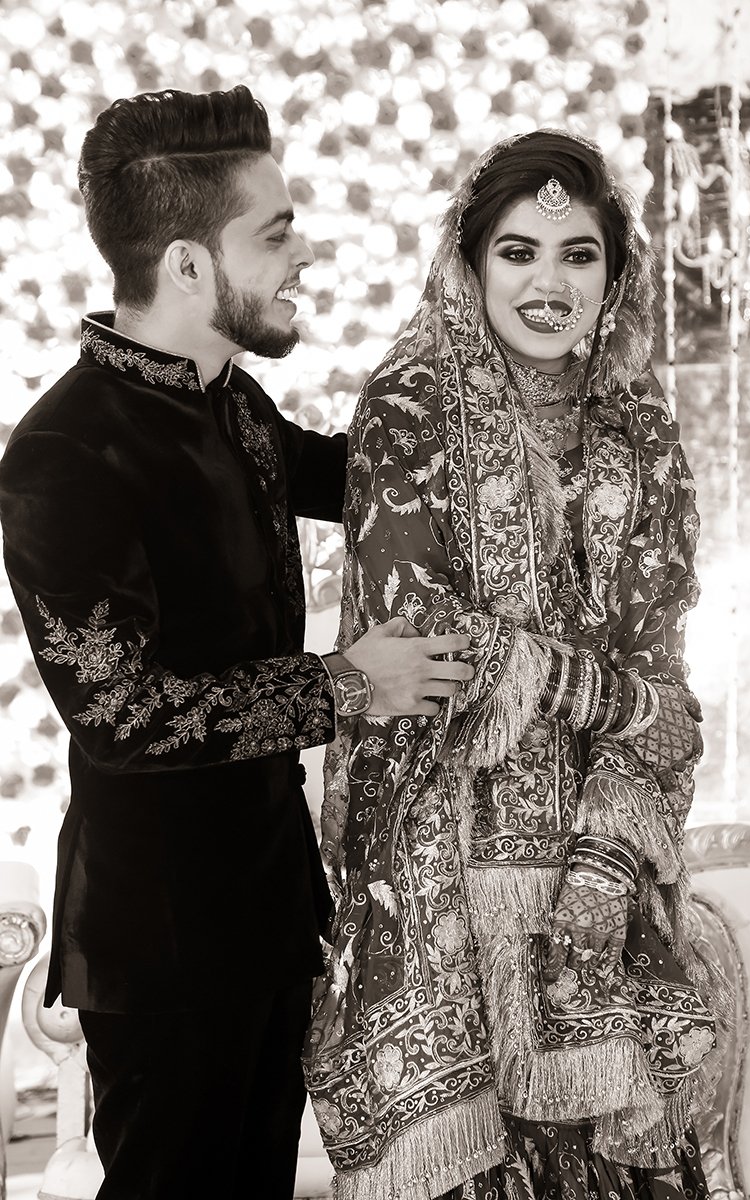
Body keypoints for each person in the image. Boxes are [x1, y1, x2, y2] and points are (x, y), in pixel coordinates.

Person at [0, 85, 474, 1200]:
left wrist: (496, 399)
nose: (302, 254)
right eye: (275, 233)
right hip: (160, 941)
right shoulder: (64, 453)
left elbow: (358, 478)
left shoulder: (232, 402)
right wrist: (346, 685)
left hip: (269, 911)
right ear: (187, 264)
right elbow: (122, 716)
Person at [304, 130, 728, 1200]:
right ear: (471, 263)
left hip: (603, 851)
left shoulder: (639, 426)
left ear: (615, 275)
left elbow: (661, 659)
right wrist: (613, 697)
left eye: (578, 254)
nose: (549, 283)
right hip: (444, 857)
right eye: (518, 252)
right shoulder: (408, 407)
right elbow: (428, 640)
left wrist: (605, 859)